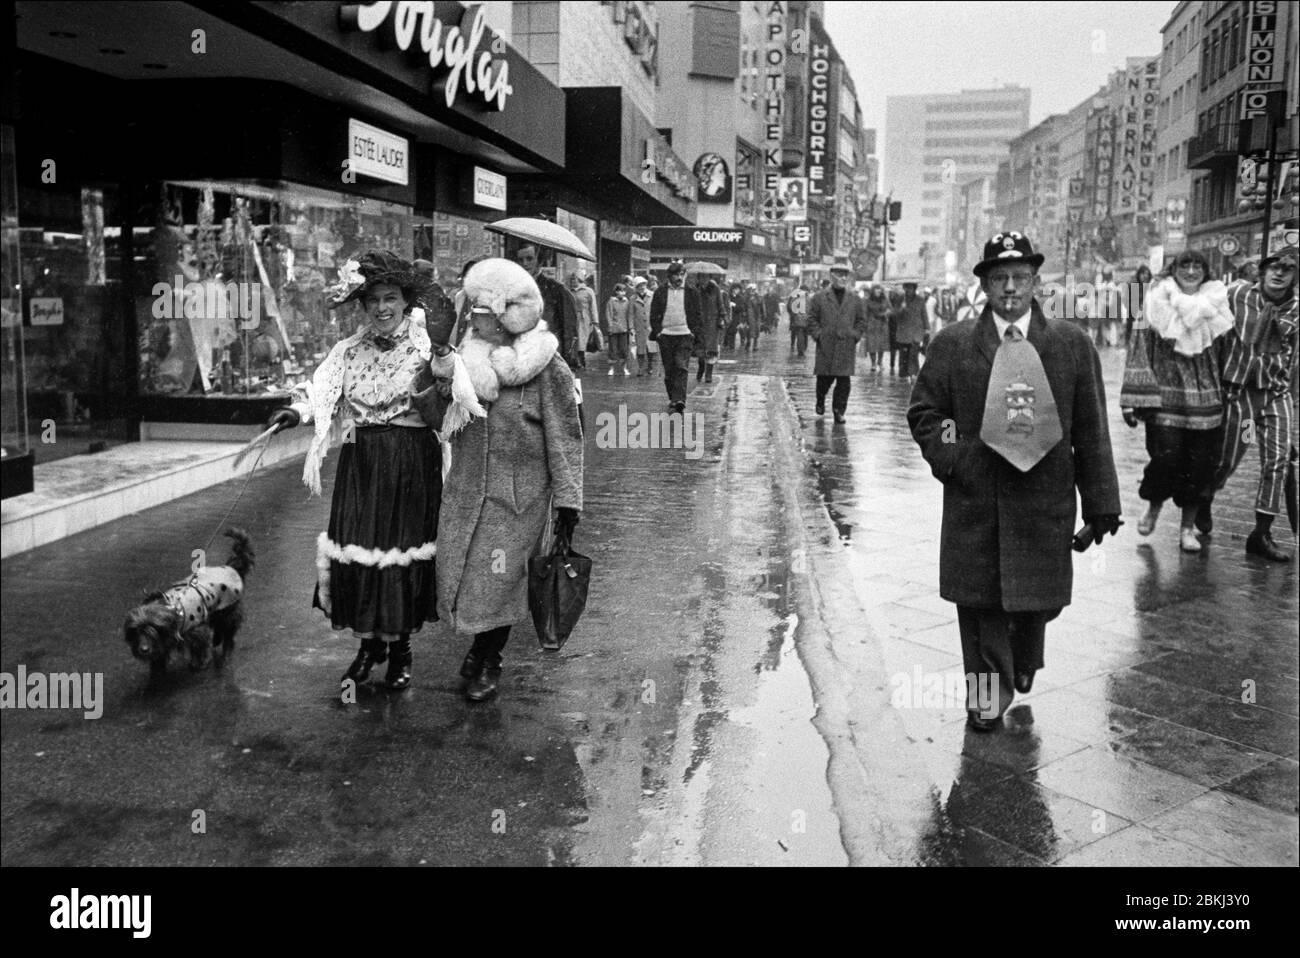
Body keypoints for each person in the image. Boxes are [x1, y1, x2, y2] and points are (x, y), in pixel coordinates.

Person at [907, 231, 1122, 731]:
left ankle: (1024, 657)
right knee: (979, 601)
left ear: (1035, 282)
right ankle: (986, 694)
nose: (1009, 288)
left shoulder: (1069, 344)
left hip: (1042, 497)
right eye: (999, 278)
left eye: (1019, 277)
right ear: (983, 284)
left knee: (1033, 604)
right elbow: (926, 411)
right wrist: (954, 456)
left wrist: (1101, 505)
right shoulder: (954, 343)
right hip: (976, 497)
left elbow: (1091, 428)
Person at [267, 250, 453, 691]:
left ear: (406, 300)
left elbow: (453, 403)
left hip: (411, 461)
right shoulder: (346, 350)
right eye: (373, 301)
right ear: (362, 306)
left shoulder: (429, 347)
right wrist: (295, 413)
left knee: (400, 550)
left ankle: (401, 648)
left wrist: (439, 373)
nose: (382, 308)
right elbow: (320, 391)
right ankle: (370, 647)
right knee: (362, 548)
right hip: (362, 461)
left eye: (390, 298)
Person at [411, 258, 584, 702]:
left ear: (508, 319)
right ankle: (480, 649)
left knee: (499, 582)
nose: (473, 321)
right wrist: (431, 375)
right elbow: (440, 422)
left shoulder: (547, 368)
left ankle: (489, 659)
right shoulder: (464, 361)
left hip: (519, 499)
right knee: (467, 579)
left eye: (482, 315)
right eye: (473, 314)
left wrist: (568, 503)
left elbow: (566, 437)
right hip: (469, 490)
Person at [1119, 250, 1232, 553]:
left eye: (1198, 265)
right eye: (1186, 265)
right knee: (1166, 459)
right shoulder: (1155, 300)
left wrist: (1233, 389)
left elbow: (1229, 351)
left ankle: (1187, 528)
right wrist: (1132, 399)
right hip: (1165, 396)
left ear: (1206, 271)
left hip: (1206, 398)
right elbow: (1139, 347)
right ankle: (1154, 507)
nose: (1192, 271)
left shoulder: (1217, 301)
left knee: (1200, 466)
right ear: (1174, 269)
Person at [1202, 245, 1299, 561]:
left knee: (1278, 459)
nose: (1279, 273)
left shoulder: (1297, 309)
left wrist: (1292, 395)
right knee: (1228, 458)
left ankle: (1261, 533)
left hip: (1275, 393)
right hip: (1240, 395)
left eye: (1287, 269)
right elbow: (1208, 327)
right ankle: (1204, 500)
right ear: (1261, 271)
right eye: (1273, 267)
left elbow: (1295, 355)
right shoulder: (1236, 293)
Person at [805, 259, 868, 423]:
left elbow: (861, 320)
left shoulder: (854, 298)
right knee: (823, 380)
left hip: (846, 345)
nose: (843, 278)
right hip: (826, 345)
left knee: (844, 382)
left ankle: (839, 411)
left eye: (845, 275)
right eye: (839, 274)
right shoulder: (819, 297)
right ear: (831, 276)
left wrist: (855, 335)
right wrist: (818, 334)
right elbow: (812, 319)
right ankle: (820, 400)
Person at [514, 243, 580, 372]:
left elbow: (569, 327)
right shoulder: (514, 290)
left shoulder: (556, 290)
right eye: (521, 260)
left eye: (529, 258)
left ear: (539, 260)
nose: (525, 264)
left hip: (549, 358)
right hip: (521, 358)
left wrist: (568, 362)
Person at [649, 261, 701, 413]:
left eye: (681, 274)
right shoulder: (660, 291)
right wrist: (658, 332)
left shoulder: (692, 291)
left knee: (681, 366)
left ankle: (679, 400)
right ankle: (673, 397)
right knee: (670, 370)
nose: (679, 278)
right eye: (676, 275)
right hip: (666, 336)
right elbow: (654, 314)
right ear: (669, 276)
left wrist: (694, 333)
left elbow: (698, 315)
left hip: (685, 335)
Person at [692, 270, 725, 383]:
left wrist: (722, 318)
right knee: (700, 350)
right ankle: (701, 368)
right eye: (701, 277)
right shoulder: (695, 289)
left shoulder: (715, 289)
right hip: (699, 323)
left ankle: (708, 374)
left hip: (712, 324)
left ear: (709, 277)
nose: (703, 279)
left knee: (711, 350)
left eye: (706, 277)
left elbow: (720, 304)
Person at [894, 281, 929, 381]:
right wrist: (901, 308)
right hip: (903, 332)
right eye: (907, 288)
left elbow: (924, 314)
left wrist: (927, 328)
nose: (908, 290)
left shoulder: (920, 300)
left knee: (913, 354)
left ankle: (913, 374)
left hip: (916, 332)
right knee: (904, 355)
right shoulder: (900, 299)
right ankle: (904, 375)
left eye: (911, 288)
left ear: (914, 289)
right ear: (904, 288)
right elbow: (895, 314)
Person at [567, 271, 598, 370]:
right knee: (572, 339)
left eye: (574, 279)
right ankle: (575, 360)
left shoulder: (588, 291)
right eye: (571, 279)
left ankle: (581, 359)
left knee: (581, 340)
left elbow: (593, 307)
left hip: (584, 318)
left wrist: (595, 321)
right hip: (571, 317)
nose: (572, 281)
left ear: (580, 280)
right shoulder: (568, 290)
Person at [604, 282, 633, 376]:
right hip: (614, 329)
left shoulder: (627, 301)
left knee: (624, 349)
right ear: (616, 292)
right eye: (620, 290)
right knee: (612, 349)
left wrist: (630, 327)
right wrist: (610, 326)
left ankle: (624, 368)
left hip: (624, 329)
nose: (622, 292)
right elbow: (609, 314)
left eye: (624, 291)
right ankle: (611, 368)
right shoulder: (611, 301)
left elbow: (629, 315)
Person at [862, 284, 891, 369]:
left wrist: (887, 313)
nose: (879, 290)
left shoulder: (885, 300)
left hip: (882, 324)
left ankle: (880, 361)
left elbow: (890, 309)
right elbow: (864, 314)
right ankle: (873, 363)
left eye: (880, 289)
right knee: (872, 345)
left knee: (882, 345)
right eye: (876, 289)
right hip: (872, 325)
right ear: (873, 291)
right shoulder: (868, 301)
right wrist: (864, 327)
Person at [1124, 264, 1153, 346]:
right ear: (1139, 274)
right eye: (1143, 274)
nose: (1145, 276)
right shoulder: (1132, 286)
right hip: (1134, 318)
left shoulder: (1151, 287)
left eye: (1147, 274)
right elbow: (1127, 302)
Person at [630, 276, 653, 376]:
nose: (642, 287)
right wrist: (631, 327)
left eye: (643, 284)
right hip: (638, 327)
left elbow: (656, 310)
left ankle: (650, 366)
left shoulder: (652, 295)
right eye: (639, 285)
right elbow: (630, 314)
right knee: (640, 349)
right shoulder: (633, 298)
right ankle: (640, 368)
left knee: (651, 348)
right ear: (636, 287)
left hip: (650, 326)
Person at [788, 283, 810, 355]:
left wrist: (793, 316)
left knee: (800, 334)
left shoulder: (796, 297)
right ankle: (802, 349)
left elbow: (790, 307)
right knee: (803, 335)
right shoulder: (808, 298)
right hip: (805, 320)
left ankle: (801, 350)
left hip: (799, 319)